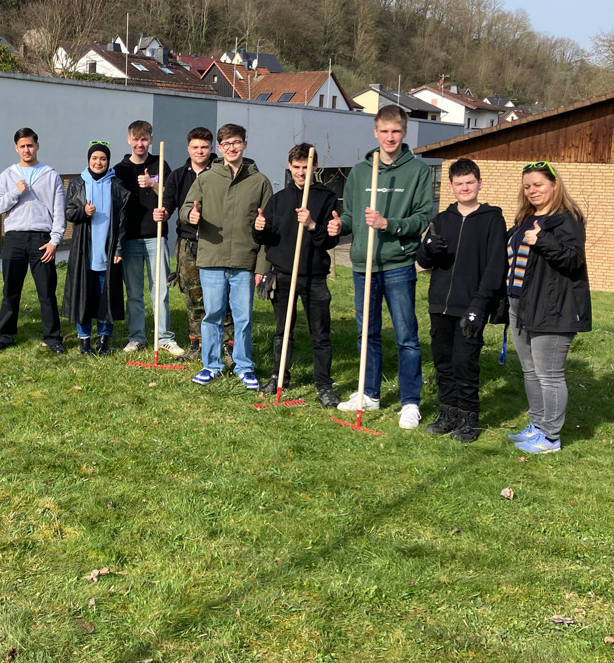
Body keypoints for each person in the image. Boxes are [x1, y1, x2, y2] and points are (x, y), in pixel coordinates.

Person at [328, 104, 433, 428]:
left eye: (396, 131)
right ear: (375, 132)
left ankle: (410, 402)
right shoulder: (361, 171)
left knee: (406, 336)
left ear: (404, 133)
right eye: (384, 131)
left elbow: (422, 219)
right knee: (367, 334)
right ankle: (369, 393)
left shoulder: (418, 171)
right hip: (364, 265)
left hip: (398, 264)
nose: (390, 137)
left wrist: (389, 224)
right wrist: (340, 226)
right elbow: (350, 216)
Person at [504, 161, 591, 454]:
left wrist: (541, 239)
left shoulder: (567, 219)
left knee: (549, 374)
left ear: (554, 185)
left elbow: (573, 259)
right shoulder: (526, 217)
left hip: (552, 306)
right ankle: (538, 425)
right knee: (530, 370)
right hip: (520, 303)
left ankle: (551, 437)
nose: (532, 191)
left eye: (538, 185)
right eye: (527, 186)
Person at [417, 158, 507, 442]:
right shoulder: (442, 220)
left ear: (479, 183)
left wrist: (479, 305)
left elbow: (495, 266)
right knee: (443, 363)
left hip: (470, 305)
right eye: (459, 183)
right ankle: (448, 414)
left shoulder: (492, 219)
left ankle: (469, 419)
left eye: (470, 182)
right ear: (451, 187)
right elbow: (423, 261)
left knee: (465, 363)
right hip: (440, 304)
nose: (465, 188)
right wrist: (428, 249)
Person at [179, 123, 272, 389]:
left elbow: (269, 226)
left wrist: (262, 266)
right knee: (212, 315)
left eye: (236, 142)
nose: (232, 148)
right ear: (219, 148)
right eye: (226, 144)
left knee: (243, 318)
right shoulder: (206, 179)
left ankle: (244, 366)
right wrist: (191, 215)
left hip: (244, 260)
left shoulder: (259, 182)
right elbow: (185, 208)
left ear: (245, 144)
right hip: (212, 259)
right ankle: (211, 365)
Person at [252, 142, 340, 407]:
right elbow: (264, 237)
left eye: (306, 167)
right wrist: (259, 228)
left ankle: (323, 385)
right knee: (283, 331)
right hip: (283, 275)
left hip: (314, 277)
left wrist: (312, 225)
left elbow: (329, 241)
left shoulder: (327, 198)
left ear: (315, 167)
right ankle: (279, 377)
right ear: (289, 167)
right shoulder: (279, 199)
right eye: (297, 167)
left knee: (320, 335)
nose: (301, 172)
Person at [0, 127, 67, 354]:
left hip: (42, 239)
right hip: (15, 238)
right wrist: (15, 191)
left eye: (30, 145)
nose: (26, 150)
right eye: (22, 146)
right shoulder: (7, 175)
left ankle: (53, 338)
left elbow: (59, 212)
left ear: (37, 146)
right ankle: (4, 336)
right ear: (16, 148)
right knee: (10, 290)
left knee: (46, 290)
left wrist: (54, 241)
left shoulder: (50, 175)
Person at [115, 120, 183, 355]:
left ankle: (164, 337)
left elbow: (171, 196)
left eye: (144, 139)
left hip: (156, 236)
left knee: (160, 290)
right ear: (129, 140)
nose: (140, 144)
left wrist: (153, 184)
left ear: (151, 140)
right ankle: (137, 337)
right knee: (134, 292)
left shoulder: (160, 164)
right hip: (130, 239)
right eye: (136, 139)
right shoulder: (120, 169)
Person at [164, 127, 232, 354]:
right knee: (193, 296)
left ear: (212, 148)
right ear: (188, 149)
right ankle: (197, 343)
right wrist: (162, 213)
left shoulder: (223, 173)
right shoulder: (177, 176)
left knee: (222, 296)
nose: (200, 151)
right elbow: (168, 205)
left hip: (216, 243)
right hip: (188, 244)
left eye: (204, 147)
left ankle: (227, 345)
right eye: (195, 147)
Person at [62, 141, 127, 355]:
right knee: (83, 297)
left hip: (108, 252)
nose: (98, 162)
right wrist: (84, 211)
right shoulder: (77, 183)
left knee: (106, 297)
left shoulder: (117, 185)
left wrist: (118, 249)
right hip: (84, 252)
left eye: (103, 159)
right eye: (94, 158)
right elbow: (69, 212)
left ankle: (103, 339)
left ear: (108, 161)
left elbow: (123, 222)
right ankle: (84, 340)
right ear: (88, 160)